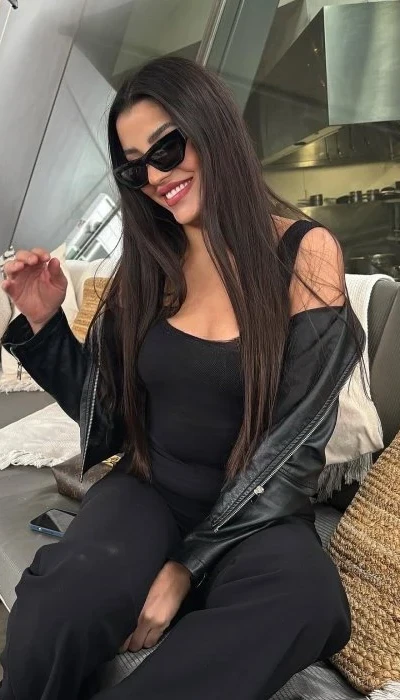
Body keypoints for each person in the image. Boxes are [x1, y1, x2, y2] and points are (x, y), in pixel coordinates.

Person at [0, 56, 363, 700]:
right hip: (148, 488)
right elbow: (111, 419)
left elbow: (295, 449)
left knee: (308, 600)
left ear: (211, 126)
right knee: (62, 604)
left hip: (258, 509)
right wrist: (46, 325)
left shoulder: (304, 253)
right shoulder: (147, 266)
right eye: (134, 167)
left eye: (167, 147)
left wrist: (187, 567)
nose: (155, 176)